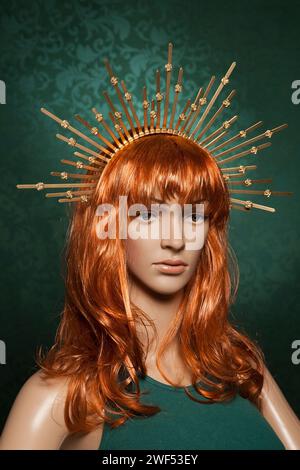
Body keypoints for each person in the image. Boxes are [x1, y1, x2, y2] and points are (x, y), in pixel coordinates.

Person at [1, 43, 300, 450]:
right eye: (147, 215)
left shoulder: (241, 368)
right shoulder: (62, 396)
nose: (175, 238)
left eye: (194, 216)